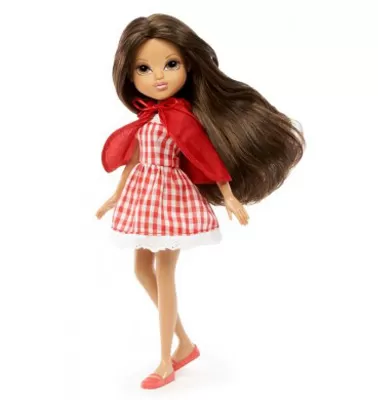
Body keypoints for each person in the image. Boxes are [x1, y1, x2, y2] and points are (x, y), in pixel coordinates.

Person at [95, 13, 304, 389]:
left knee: (164, 272)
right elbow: (133, 160)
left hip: (170, 199)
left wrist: (229, 195)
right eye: (144, 68)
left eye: (170, 64)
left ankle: (166, 361)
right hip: (143, 196)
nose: (158, 77)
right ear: (129, 74)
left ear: (188, 66)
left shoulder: (182, 117)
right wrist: (115, 195)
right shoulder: (147, 117)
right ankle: (185, 343)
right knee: (141, 270)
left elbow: (205, 156)